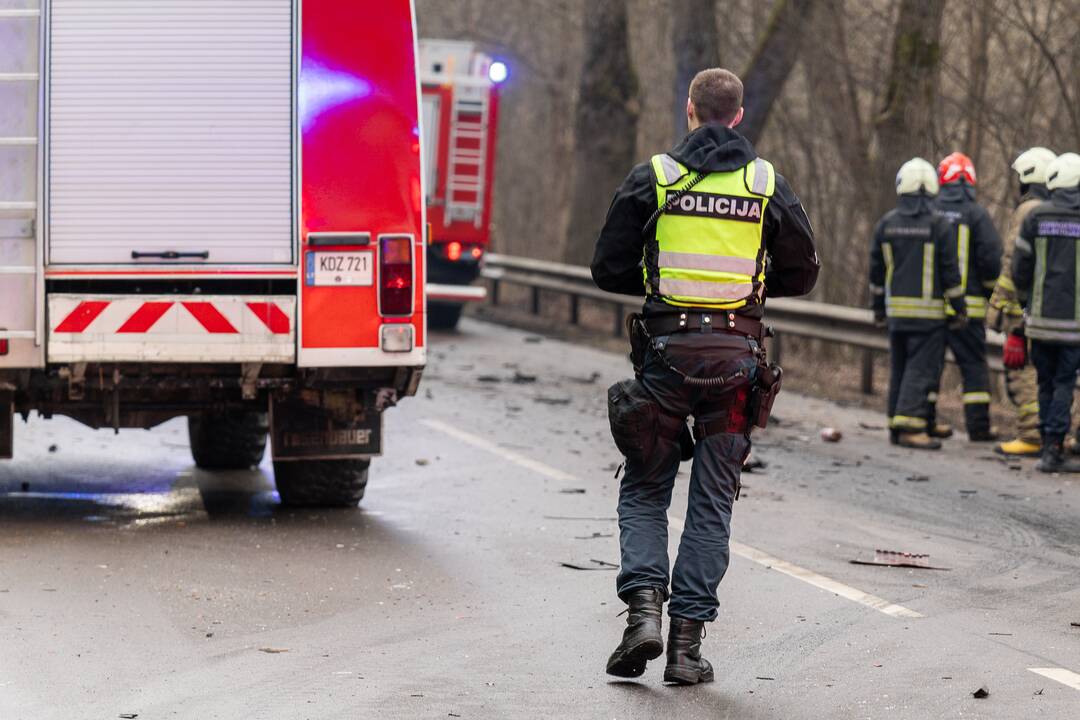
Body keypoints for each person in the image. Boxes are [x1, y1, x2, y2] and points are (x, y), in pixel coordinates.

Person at [592, 68, 818, 685]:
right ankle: (686, 650)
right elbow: (802, 276)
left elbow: (606, 269)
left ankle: (643, 615)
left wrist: (659, 279)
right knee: (712, 500)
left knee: (645, 486)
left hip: (666, 360)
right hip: (737, 364)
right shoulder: (766, 184)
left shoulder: (656, 178)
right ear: (738, 116)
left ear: (689, 110)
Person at [869, 158, 967, 449]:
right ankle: (911, 427)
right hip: (928, 316)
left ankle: (897, 423)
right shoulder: (938, 225)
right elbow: (950, 271)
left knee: (900, 367)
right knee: (921, 369)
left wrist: (878, 309)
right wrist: (959, 308)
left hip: (897, 315)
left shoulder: (886, 225)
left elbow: (876, 273)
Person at [1011, 152, 1080, 473]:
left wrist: (1025, 303)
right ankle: (1053, 448)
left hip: (1038, 322)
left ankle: (1044, 446)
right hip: (1073, 325)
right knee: (1065, 383)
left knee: (1045, 382)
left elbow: (1020, 268)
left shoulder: (1035, 217)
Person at [988, 148, 1057, 456]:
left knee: (1024, 372)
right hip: (1050, 308)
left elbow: (1013, 262)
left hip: (1022, 310)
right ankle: (1050, 432)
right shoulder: (1056, 209)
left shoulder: (1028, 211)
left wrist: (997, 306)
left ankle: (1031, 434)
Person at [930, 153, 1002, 441]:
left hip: (933, 308)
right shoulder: (977, 215)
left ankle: (923, 420)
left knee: (929, 366)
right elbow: (991, 261)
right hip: (969, 309)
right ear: (969, 180)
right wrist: (989, 295)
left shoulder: (930, 211)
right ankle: (979, 427)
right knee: (973, 368)